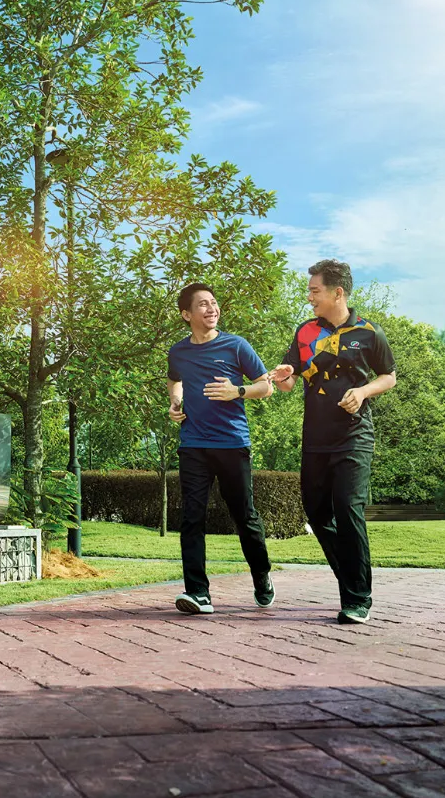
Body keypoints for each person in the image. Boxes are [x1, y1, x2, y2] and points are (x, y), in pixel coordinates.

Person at [268, 260, 396, 624]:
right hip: (315, 437)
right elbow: (290, 382)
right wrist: (284, 374)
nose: (309, 297)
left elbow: (389, 376)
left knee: (347, 507)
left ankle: (357, 598)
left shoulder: (369, 332)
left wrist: (363, 391)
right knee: (317, 511)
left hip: (354, 435)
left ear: (337, 292)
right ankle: (352, 577)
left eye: (315, 291)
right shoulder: (305, 331)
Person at [166, 282, 277, 615]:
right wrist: (175, 402)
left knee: (244, 516)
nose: (211, 308)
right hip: (193, 444)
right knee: (191, 517)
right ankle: (198, 592)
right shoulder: (178, 351)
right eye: (203, 304)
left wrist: (237, 392)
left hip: (232, 443)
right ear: (186, 314)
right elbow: (175, 379)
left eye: (213, 303)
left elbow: (266, 386)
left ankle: (261, 574)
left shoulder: (236, 346)